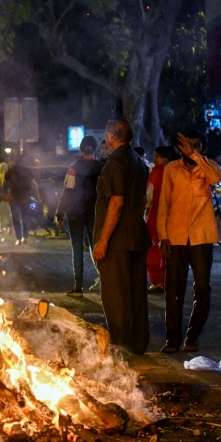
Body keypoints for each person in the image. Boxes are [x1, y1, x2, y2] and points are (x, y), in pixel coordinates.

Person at [157, 132, 221, 354]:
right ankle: (173, 339)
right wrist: (162, 236)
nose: (190, 149)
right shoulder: (171, 169)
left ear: (202, 148)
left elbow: (215, 178)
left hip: (202, 237)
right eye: (187, 145)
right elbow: (163, 203)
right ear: (178, 147)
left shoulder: (208, 167)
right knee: (174, 290)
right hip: (175, 237)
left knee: (202, 289)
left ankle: (192, 336)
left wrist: (195, 156)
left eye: (196, 145)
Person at [92, 119, 151, 355]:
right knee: (136, 292)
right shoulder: (138, 161)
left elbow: (116, 202)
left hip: (117, 239)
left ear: (111, 136)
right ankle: (138, 343)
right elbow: (143, 200)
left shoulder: (115, 164)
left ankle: (121, 345)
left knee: (116, 295)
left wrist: (103, 240)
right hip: (137, 236)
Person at [55, 136, 104, 296]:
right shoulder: (103, 167)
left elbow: (67, 192)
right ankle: (105, 280)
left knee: (77, 250)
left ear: (81, 149)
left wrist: (60, 213)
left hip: (75, 213)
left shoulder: (74, 168)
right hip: (95, 213)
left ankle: (78, 287)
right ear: (95, 149)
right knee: (97, 247)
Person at [144, 146, 176, 292]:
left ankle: (157, 280)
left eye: (157, 156)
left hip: (155, 215)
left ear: (165, 158)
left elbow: (149, 197)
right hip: (173, 216)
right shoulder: (177, 172)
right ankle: (169, 280)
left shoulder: (156, 173)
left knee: (153, 248)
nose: (154, 159)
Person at [8, 155, 40, 245]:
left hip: (18, 197)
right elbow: (34, 184)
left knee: (18, 217)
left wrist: (37, 195)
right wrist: (37, 196)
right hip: (19, 197)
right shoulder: (14, 171)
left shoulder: (12, 171)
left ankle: (21, 237)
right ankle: (23, 237)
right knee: (23, 217)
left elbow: (4, 183)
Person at [0, 162, 12, 233]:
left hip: (5, 197)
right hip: (2, 197)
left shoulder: (8, 178)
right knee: (3, 213)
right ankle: (4, 227)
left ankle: (7, 227)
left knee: (6, 213)